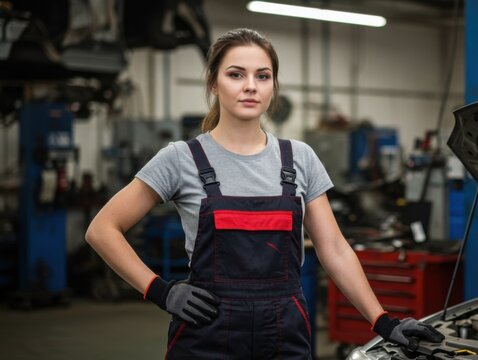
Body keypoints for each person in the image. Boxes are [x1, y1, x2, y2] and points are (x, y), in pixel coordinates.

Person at [85, 28, 442, 359]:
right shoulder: (181, 159)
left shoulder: (300, 158)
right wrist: (159, 290)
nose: (250, 86)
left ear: (273, 86)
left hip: (284, 334)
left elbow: (333, 248)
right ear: (213, 83)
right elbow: (102, 229)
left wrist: (382, 321)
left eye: (263, 76)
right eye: (236, 74)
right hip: (206, 332)